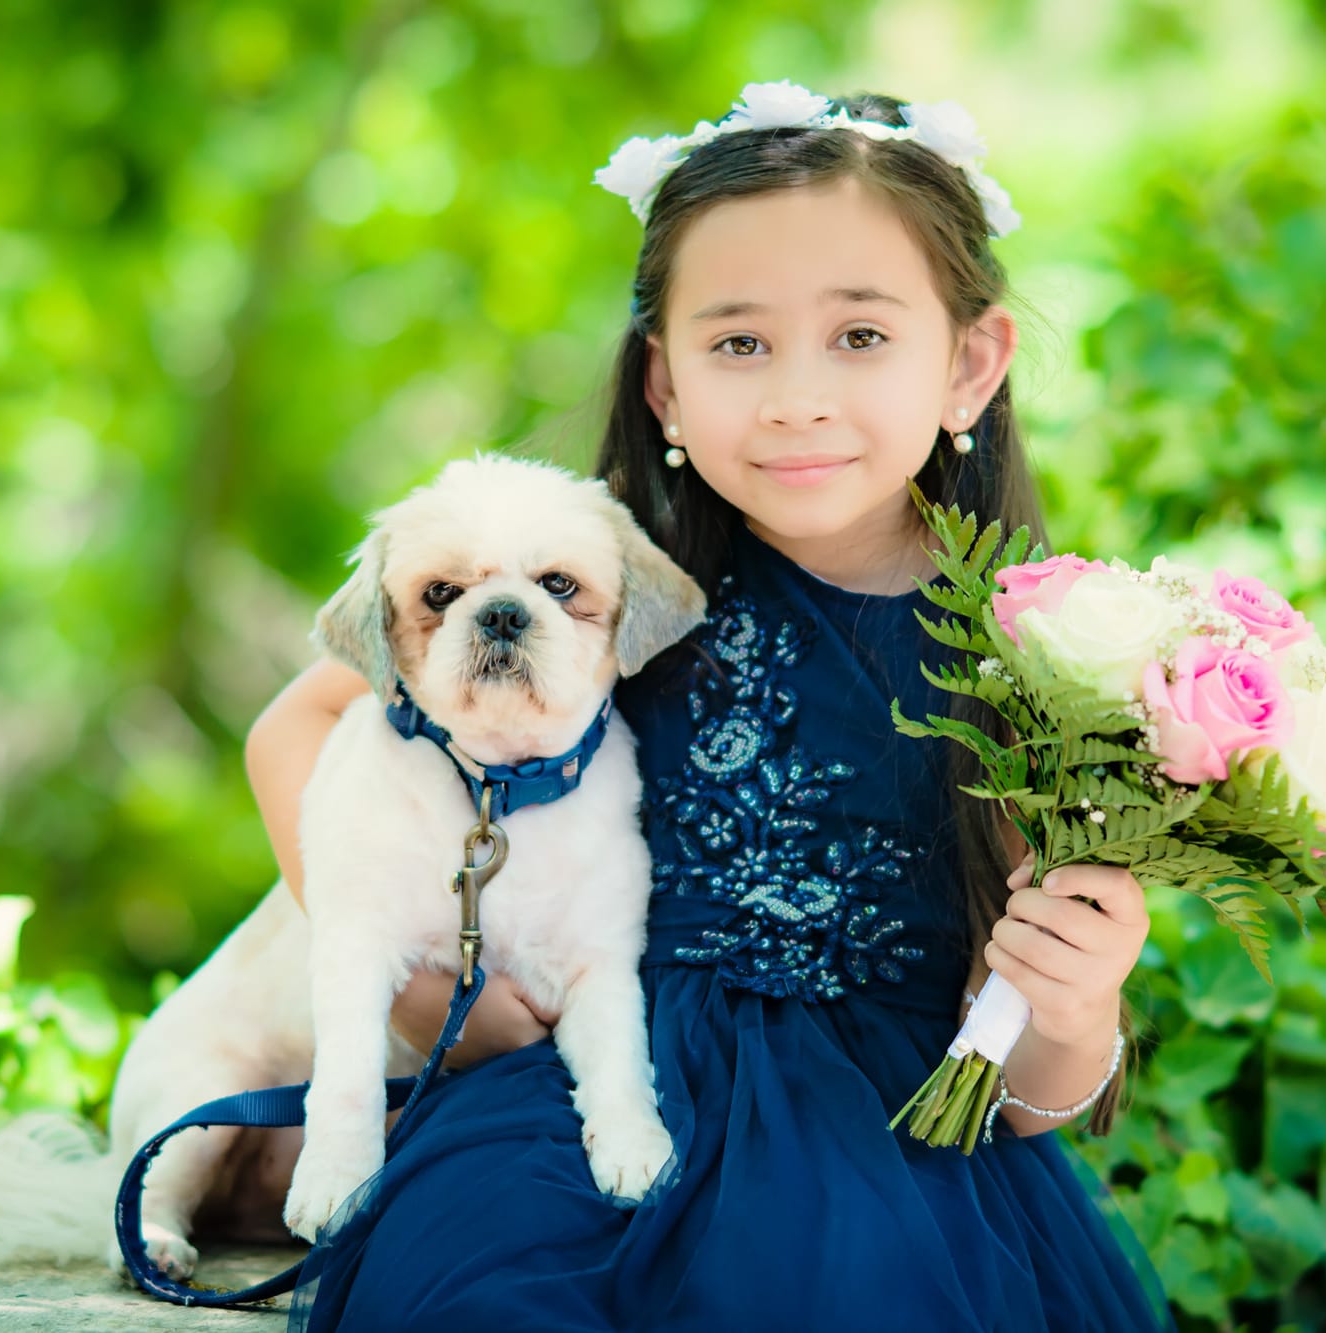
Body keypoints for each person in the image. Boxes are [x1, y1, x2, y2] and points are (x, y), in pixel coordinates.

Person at [244, 83, 1173, 1332]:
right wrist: (419, 989)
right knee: (484, 1297)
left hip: (883, 1147)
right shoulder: (591, 574)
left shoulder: (1030, 661)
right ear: (664, 385)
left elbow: (1016, 1092)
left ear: (967, 363)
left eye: (857, 337)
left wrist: (1076, 1005)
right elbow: (292, 730)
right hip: (580, 1095)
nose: (793, 395)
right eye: (737, 343)